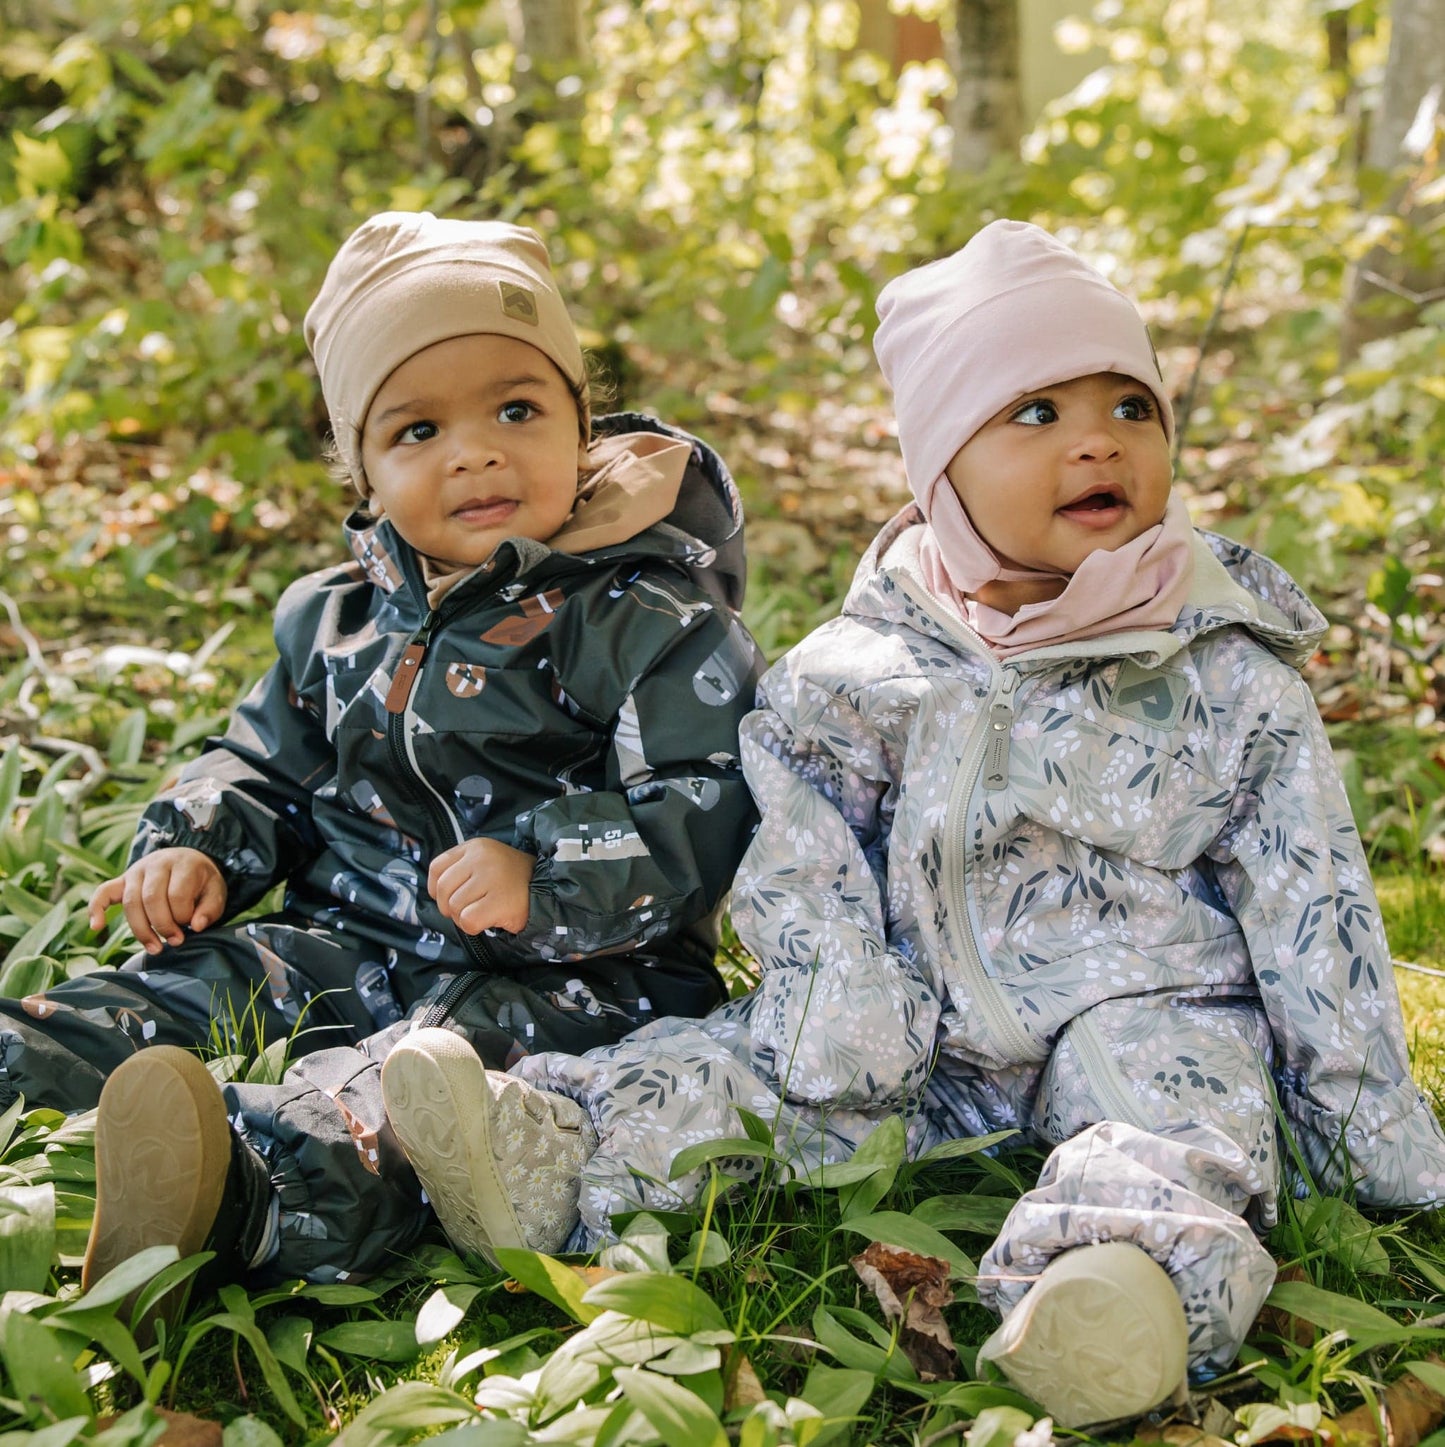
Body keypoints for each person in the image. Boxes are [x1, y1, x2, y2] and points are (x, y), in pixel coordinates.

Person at [388, 220, 1445, 1428]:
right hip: (911, 1021)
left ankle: (1117, 1287)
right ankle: (548, 1148)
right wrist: (839, 998)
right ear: (941, 467)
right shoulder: (857, 671)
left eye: (1129, 407)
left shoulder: (1220, 674)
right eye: (1033, 414)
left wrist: (1364, 1137)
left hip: (1140, 1011)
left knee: (1181, 1116)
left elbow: (1314, 906)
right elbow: (797, 853)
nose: (1097, 437)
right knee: (743, 1073)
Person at [0, 211, 763, 1296]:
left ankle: (240, 1190)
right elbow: (262, 760)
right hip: (348, 931)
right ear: (358, 471)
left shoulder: (653, 617)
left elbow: (703, 806)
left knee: (414, 1101)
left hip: (579, 979)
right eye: (417, 432)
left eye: (516, 408)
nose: (475, 450)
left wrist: (542, 873)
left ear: (579, 424)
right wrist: (203, 841)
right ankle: (29, 1058)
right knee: (180, 988)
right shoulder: (336, 619)